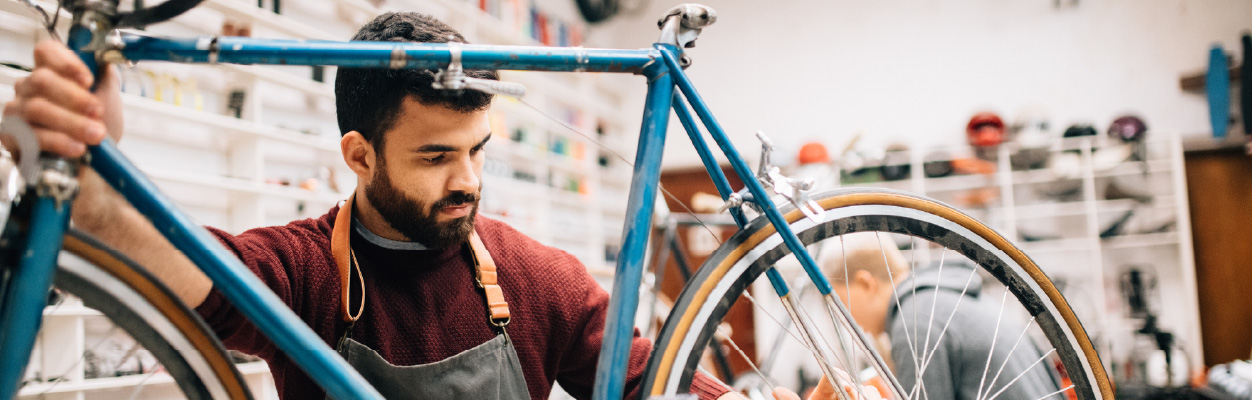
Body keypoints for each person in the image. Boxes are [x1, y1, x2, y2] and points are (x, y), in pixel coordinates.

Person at [6, 11, 750, 400]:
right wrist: (98, 194)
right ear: (359, 155)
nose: (467, 180)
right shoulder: (304, 271)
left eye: (477, 149)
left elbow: (648, 380)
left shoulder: (533, 277)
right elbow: (188, 272)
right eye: (435, 156)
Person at [823, 233, 1065, 400]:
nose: (848, 320)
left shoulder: (913, 323)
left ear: (866, 283)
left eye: (843, 304)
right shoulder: (942, 300)